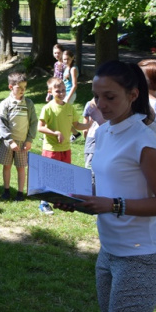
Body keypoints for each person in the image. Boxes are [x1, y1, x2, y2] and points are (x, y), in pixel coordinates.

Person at [68, 61, 156, 312]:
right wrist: (74, 198)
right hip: (109, 252)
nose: (100, 104)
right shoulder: (104, 132)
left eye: (110, 97)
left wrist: (113, 205)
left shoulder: (144, 141)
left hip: (140, 257)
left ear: (133, 95)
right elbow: (105, 186)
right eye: (96, 96)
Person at [37, 77, 89, 214]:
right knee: (49, 176)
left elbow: (77, 125)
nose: (61, 93)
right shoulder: (48, 108)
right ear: (50, 91)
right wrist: (55, 133)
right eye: (57, 91)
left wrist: (90, 125)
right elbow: (40, 127)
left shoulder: (69, 108)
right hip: (51, 148)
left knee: (63, 176)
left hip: (66, 148)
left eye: (63, 90)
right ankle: (43, 203)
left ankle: (60, 200)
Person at [0, 71, 38, 201]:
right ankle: (6, 190)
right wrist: (9, 140)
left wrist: (29, 140)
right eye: (19, 87)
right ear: (11, 87)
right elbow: (2, 124)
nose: (22, 90)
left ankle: (20, 193)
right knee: (7, 166)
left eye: (24, 87)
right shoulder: (5, 103)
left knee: (21, 167)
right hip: (8, 142)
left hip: (22, 142)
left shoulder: (28, 103)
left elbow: (33, 122)